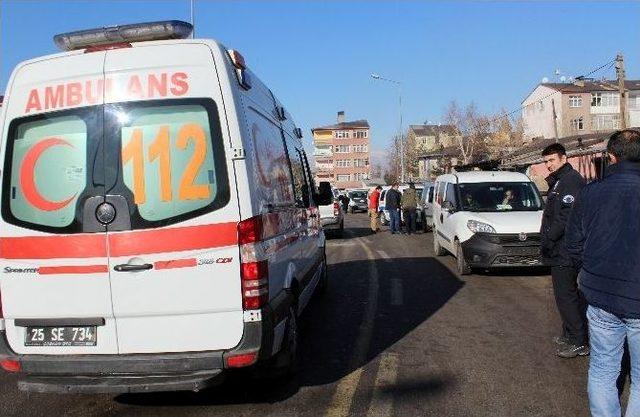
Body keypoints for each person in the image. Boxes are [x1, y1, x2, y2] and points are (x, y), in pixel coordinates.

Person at [566, 129, 640, 417]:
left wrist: (593, 270)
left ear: (610, 157)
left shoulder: (590, 193)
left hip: (601, 299)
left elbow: (573, 246)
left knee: (602, 370)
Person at [540, 143, 588, 358]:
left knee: (567, 296)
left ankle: (579, 341)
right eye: (546, 161)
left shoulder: (571, 181)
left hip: (566, 249)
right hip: (559, 248)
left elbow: (565, 216)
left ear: (563, 158)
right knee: (563, 296)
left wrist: (549, 238)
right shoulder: (560, 180)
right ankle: (569, 334)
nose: (548, 165)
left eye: (551, 160)